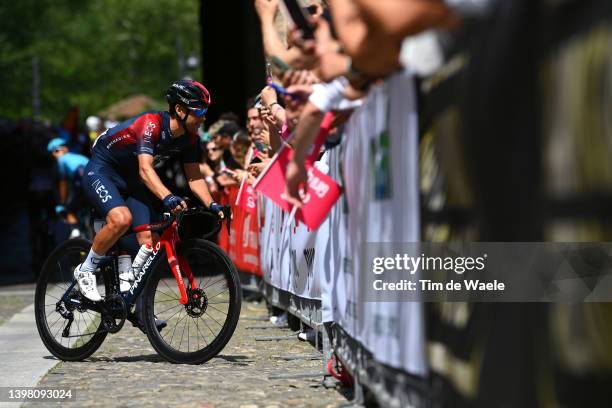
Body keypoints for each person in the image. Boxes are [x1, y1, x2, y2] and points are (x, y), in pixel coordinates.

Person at [75, 79, 224, 305]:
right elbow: (145, 170)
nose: (204, 117)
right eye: (200, 111)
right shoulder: (151, 124)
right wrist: (168, 196)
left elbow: (194, 178)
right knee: (121, 219)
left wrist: (213, 205)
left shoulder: (190, 138)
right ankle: (86, 270)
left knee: (149, 239)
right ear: (180, 110)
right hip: (103, 171)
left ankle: (132, 302)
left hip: (130, 180)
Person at [47, 137, 90, 238]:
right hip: (93, 182)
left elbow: (63, 182)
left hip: (80, 184)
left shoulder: (61, 160)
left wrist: (63, 201)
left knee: (69, 209)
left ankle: (76, 230)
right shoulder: (80, 156)